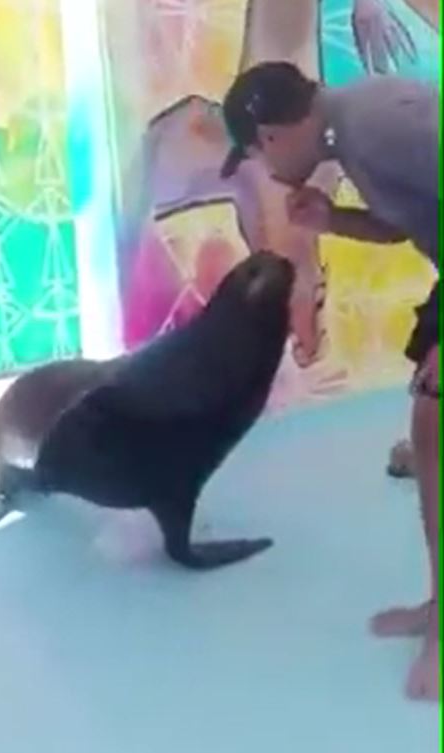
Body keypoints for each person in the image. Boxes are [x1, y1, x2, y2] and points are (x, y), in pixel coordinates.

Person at [220, 61, 439, 702]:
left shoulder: (374, 124)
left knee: (434, 421)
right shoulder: (353, 132)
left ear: (268, 135)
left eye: (257, 156)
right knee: (431, 427)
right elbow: (411, 218)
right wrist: (333, 219)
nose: (267, 170)